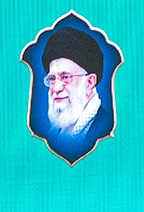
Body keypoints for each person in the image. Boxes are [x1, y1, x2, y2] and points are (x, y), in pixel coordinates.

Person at [40, 27, 112, 156]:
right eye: (52, 79)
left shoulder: (105, 128)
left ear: (89, 82)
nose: (56, 89)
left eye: (65, 77)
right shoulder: (54, 133)